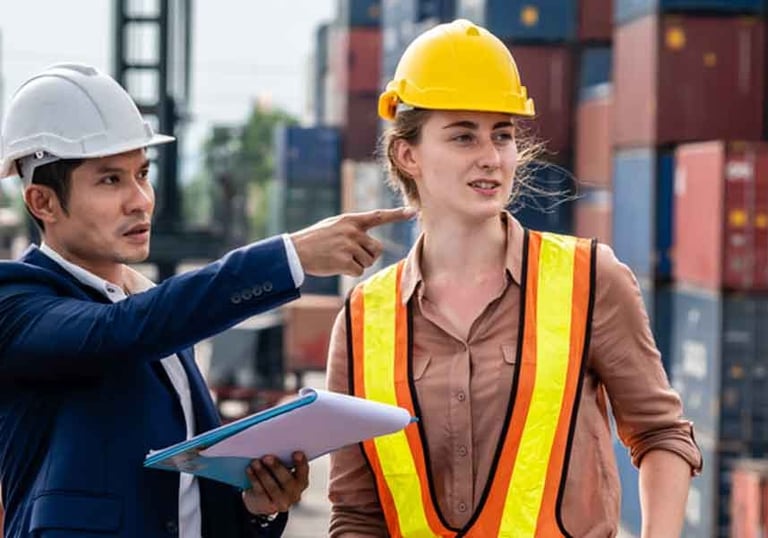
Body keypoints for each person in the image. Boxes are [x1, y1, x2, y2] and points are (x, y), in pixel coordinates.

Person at [0, 63, 414, 538]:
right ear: (42, 203)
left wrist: (257, 506)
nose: (141, 200)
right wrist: (290, 257)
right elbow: (117, 333)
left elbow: (186, 504)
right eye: (110, 180)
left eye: (142, 173)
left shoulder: (154, 313)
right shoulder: (15, 304)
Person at [325, 19, 702, 537]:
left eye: (502, 135)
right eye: (463, 136)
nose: (491, 157)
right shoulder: (363, 319)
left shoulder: (590, 281)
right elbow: (356, 511)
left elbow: (662, 436)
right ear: (406, 154)